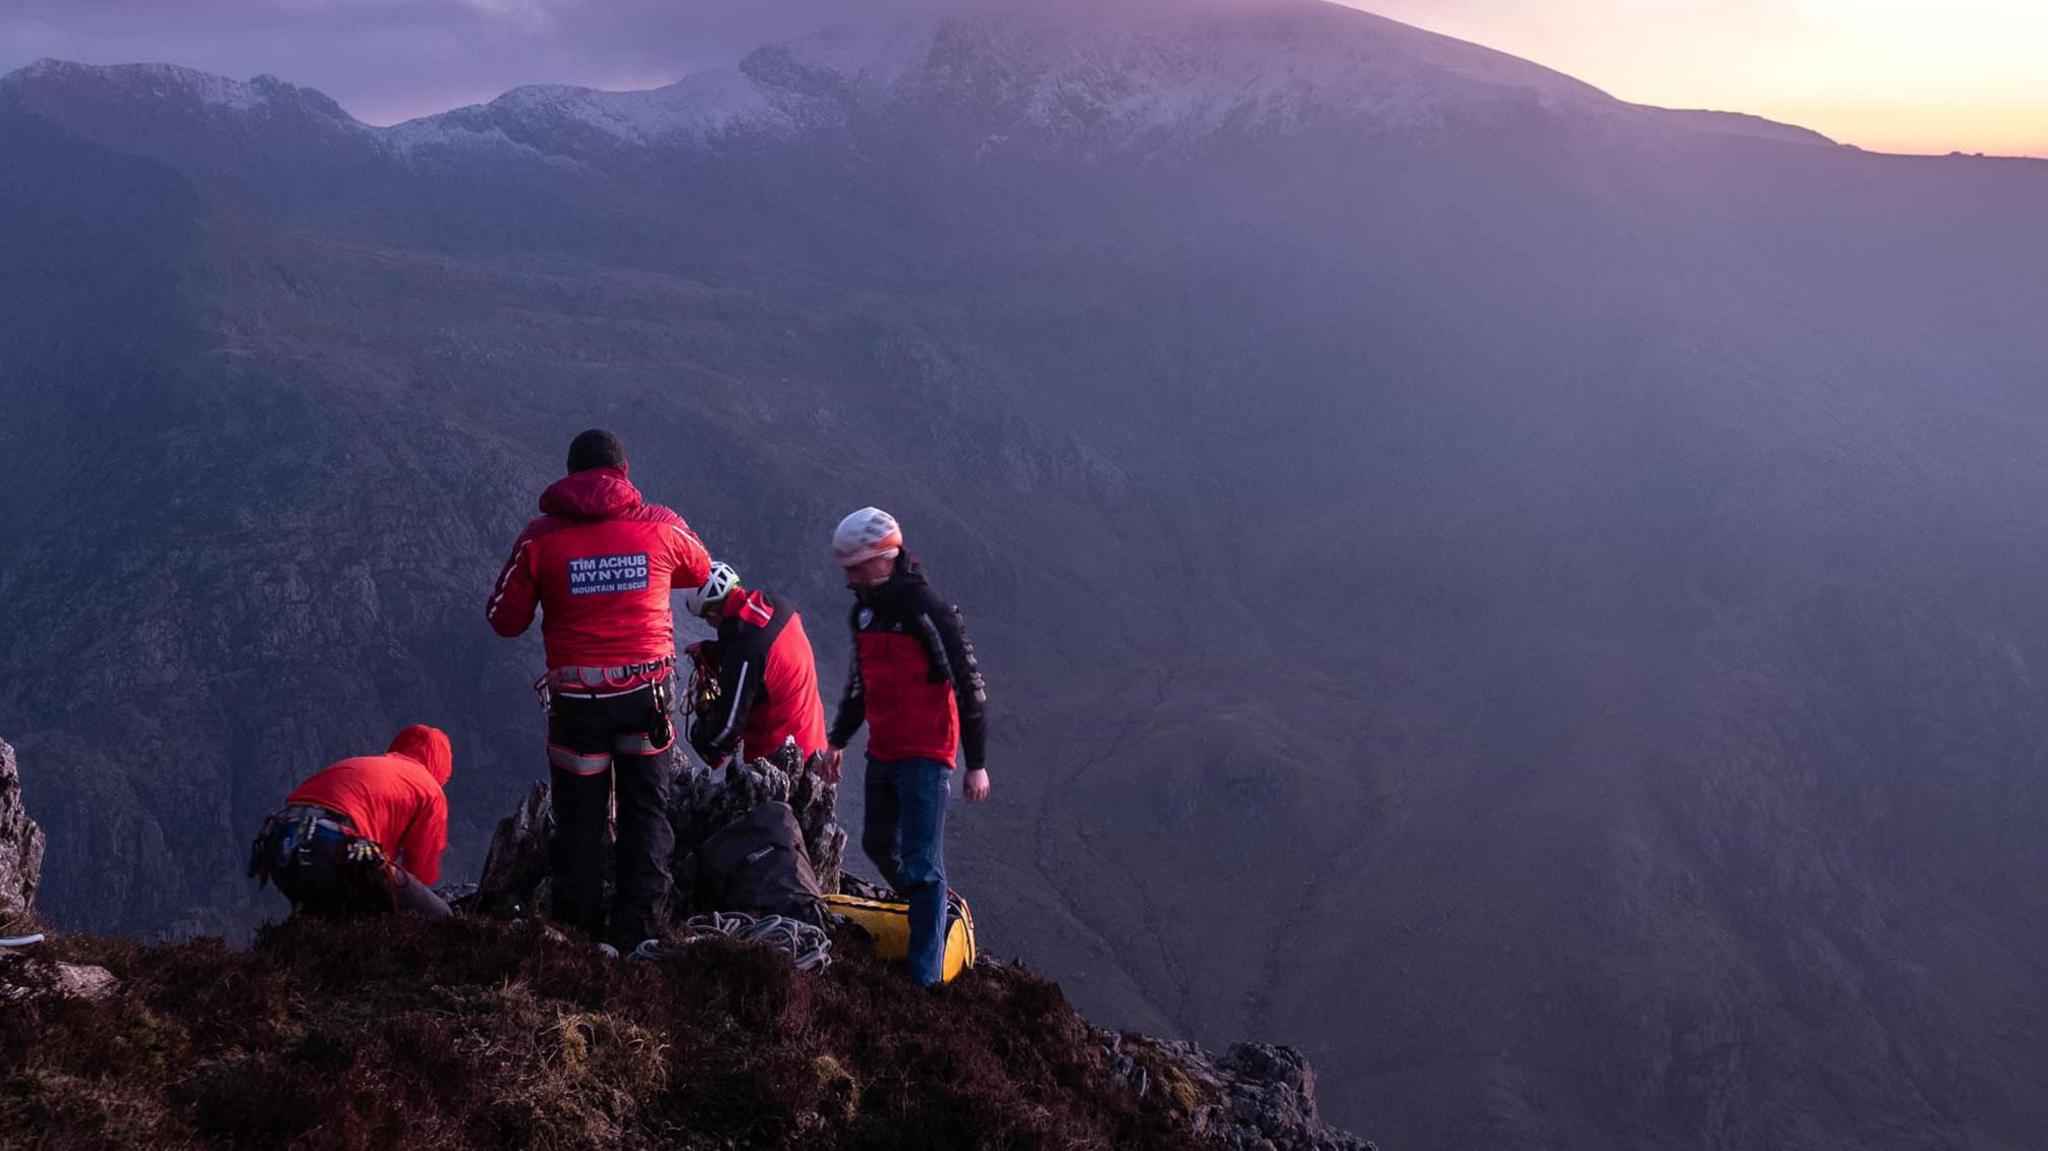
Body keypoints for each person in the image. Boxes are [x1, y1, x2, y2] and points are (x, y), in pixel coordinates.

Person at [486, 429, 712, 953]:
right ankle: (641, 930)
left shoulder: (539, 538)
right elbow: (699, 568)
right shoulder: (660, 525)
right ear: (624, 471)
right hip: (647, 697)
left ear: (569, 476)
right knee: (646, 812)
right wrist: (638, 576)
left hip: (577, 706)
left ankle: (579, 935)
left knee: (580, 821)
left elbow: (504, 619)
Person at [817, 507, 989, 986]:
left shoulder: (926, 609)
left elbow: (968, 681)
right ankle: (932, 912)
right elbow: (860, 683)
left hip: (927, 754)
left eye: (855, 567)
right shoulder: (865, 613)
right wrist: (838, 740)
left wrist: (976, 764)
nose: (848, 578)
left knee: (922, 860)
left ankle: (926, 980)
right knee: (876, 843)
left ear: (882, 558)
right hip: (884, 749)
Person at [248, 724, 454, 919]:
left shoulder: (373, 766)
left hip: (280, 843)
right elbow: (421, 870)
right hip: (332, 846)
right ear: (441, 769)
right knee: (439, 918)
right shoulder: (429, 789)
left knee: (327, 918)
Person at [683, 562, 829, 767]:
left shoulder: (747, 649)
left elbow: (729, 727)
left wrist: (701, 735)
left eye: (707, 619)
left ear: (713, 612)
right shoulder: (779, 607)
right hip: (815, 745)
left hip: (781, 762)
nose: (710, 625)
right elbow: (768, 660)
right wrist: (721, 653)